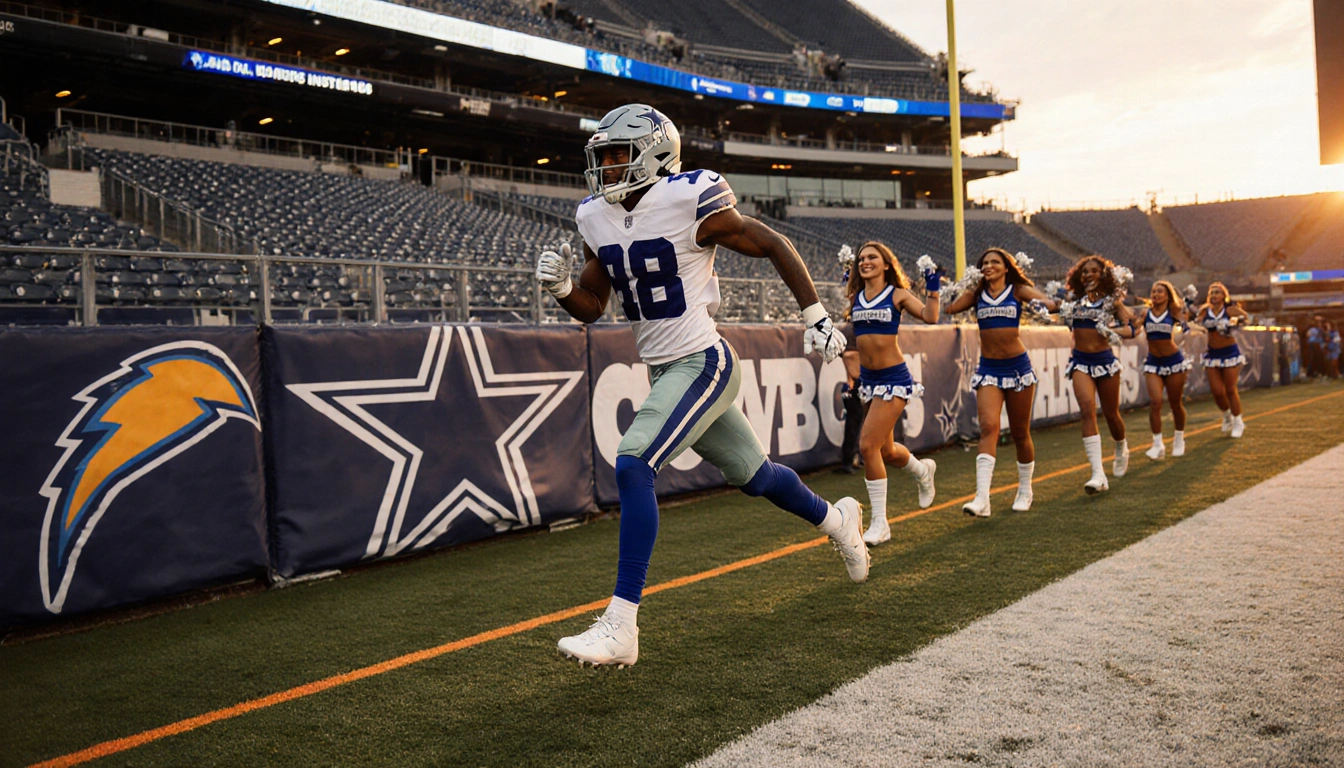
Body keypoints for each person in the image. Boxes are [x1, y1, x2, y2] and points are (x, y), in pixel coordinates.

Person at [535, 104, 868, 668]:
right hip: (667, 369)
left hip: (704, 361)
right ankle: (840, 523)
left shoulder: (690, 197)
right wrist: (564, 286)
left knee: (634, 463)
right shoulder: (594, 216)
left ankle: (621, 624)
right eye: (604, 156)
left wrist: (815, 315)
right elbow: (592, 307)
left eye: (619, 154)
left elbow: (771, 243)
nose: (608, 166)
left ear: (655, 154)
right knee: (757, 476)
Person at [943, 248, 1057, 517]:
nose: (989, 266)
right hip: (989, 368)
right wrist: (961, 286)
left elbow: (1049, 303)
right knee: (988, 427)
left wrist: (1042, 306)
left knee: (1020, 433)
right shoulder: (977, 294)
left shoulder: (1017, 290)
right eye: (984, 263)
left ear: (1007, 267)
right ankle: (982, 498)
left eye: (995, 262)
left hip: (1017, 367)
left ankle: (1025, 489)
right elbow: (949, 308)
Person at [844, 242, 940, 546]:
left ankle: (880, 524)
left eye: (872, 257)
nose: (865, 261)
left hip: (894, 378)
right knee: (885, 451)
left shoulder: (896, 294)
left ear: (887, 263)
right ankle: (923, 470)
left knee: (867, 445)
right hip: (868, 380)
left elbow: (930, 316)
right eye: (861, 258)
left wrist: (933, 288)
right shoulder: (855, 296)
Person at [1059, 256, 1137, 493]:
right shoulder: (1073, 301)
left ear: (1104, 275)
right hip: (1080, 361)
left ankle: (1121, 447)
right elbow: (1055, 310)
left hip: (1105, 362)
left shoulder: (1112, 302)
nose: (1088, 275)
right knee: (1086, 409)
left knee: (1112, 414)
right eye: (1084, 272)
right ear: (1078, 277)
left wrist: (1114, 331)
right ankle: (1097, 473)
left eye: (1094, 271)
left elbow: (1134, 327)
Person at [1136, 281, 1191, 460]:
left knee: (1175, 403)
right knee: (1155, 402)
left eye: (1160, 291)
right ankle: (1157, 444)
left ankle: (1179, 439)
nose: (1156, 294)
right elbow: (1134, 327)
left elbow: (1186, 326)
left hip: (1174, 361)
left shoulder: (1173, 312)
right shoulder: (1146, 314)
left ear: (1167, 295)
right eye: (1153, 291)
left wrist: (1186, 321)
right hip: (1153, 362)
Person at [1192, 282, 1249, 438]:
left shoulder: (1230, 309)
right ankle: (1227, 414)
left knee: (1230, 390)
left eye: (1218, 292)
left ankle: (1238, 421)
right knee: (1217, 392)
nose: (1214, 295)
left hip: (1230, 352)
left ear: (1224, 295)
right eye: (1212, 293)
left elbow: (1246, 318)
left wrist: (1234, 323)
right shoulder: (1205, 310)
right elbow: (1195, 323)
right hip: (1212, 353)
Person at [835, 327, 863, 474]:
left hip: (856, 382)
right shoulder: (852, 332)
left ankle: (855, 457)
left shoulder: (854, 331)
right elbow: (850, 356)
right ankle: (849, 460)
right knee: (854, 421)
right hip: (855, 383)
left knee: (857, 422)